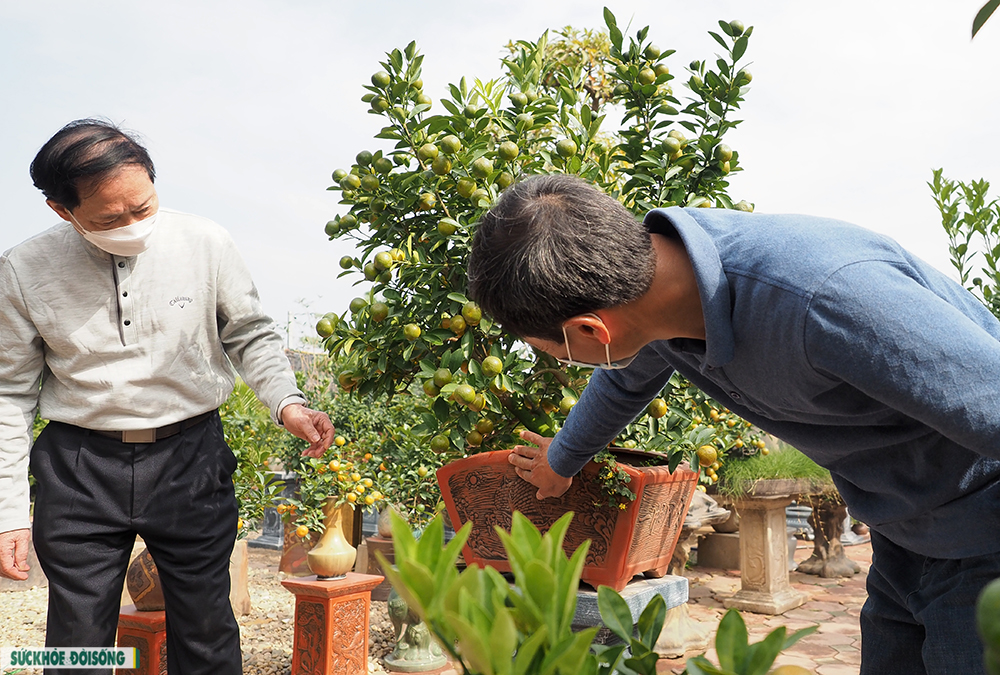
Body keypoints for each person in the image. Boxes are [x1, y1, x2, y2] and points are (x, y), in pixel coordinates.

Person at [467, 173, 1000, 675]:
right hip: (904, 537)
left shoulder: (823, 301)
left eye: (548, 351)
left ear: (590, 330)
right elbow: (625, 380)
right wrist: (562, 462)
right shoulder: (661, 295)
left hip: (981, 536)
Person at [0, 119, 335, 675]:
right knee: (74, 642)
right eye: (110, 218)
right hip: (80, 467)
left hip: (189, 456)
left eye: (144, 206)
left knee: (206, 632)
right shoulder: (23, 269)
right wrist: (8, 512)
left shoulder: (205, 242)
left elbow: (249, 333)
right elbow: (9, 391)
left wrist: (287, 402)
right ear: (62, 210)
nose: (133, 225)